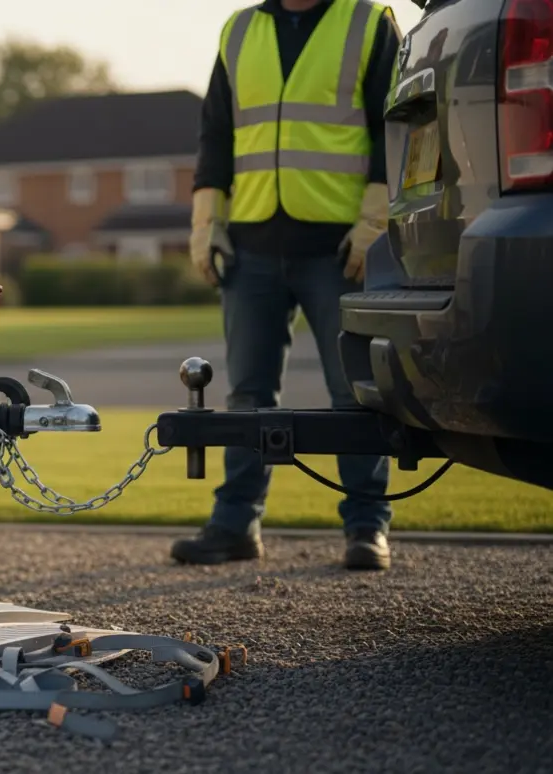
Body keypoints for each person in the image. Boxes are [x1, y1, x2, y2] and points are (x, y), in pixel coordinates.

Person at [171, 0, 402, 571]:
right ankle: (234, 525)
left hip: (340, 248)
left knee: (354, 395)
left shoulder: (369, 22)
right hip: (251, 247)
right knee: (247, 396)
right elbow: (216, 136)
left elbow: (394, 131)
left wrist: (375, 224)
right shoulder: (240, 28)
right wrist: (207, 227)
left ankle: (367, 528)